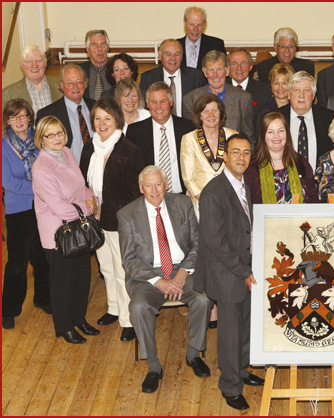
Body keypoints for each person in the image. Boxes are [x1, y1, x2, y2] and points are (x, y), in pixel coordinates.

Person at [117, 166, 212, 393]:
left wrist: (182, 273)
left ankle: (193, 353)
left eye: (158, 184)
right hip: (147, 276)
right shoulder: (127, 214)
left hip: (182, 270)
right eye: (148, 185)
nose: (154, 190)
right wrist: (159, 281)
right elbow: (129, 260)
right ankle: (153, 365)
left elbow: (199, 243)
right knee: (138, 307)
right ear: (141, 188)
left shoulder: (182, 204)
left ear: (166, 184)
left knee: (204, 298)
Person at [196, 134, 264, 410]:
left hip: (245, 268)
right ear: (224, 154)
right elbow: (215, 242)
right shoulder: (213, 192)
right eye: (236, 152)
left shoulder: (244, 183)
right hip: (227, 273)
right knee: (230, 333)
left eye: (246, 153)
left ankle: (243, 371)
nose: (241, 158)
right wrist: (244, 270)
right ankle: (230, 386)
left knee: (246, 326)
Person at [79, 98, 144, 342]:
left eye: (107, 118)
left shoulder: (130, 150)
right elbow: (83, 182)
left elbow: (136, 193)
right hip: (95, 219)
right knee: (105, 268)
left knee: (121, 270)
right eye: (97, 118)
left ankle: (128, 319)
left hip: (119, 222)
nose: (102, 123)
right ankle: (114, 309)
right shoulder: (90, 147)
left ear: (117, 120)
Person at [31, 115, 99, 344]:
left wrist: (90, 197)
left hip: (77, 228)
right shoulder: (41, 168)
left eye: (59, 132)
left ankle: (79, 318)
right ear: (42, 139)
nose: (57, 138)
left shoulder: (68, 152)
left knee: (81, 277)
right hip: (58, 234)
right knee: (62, 283)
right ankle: (63, 326)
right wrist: (87, 210)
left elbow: (81, 184)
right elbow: (59, 207)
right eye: (50, 135)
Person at [2, 99, 51, 329]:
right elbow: (8, 182)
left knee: (42, 258)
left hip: (44, 206)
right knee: (17, 263)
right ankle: (9, 309)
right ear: (8, 121)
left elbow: (51, 168)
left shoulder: (41, 139)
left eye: (23, 116)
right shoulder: (3, 146)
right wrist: (36, 188)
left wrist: (42, 191)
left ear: (30, 117)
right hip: (18, 210)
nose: (19, 121)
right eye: (14, 117)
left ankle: (43, 299)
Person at [126, 82, 194, 194]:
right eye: (153, 102)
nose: (158, 107)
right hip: (150, 197)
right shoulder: (135, 131)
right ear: (147, 104)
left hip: (183, 197)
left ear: (171, 102)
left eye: (163, 101)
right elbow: (131, 172)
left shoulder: (188, 128)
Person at [180, 93, 238, 215]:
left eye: (214, 111)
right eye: (206, 111)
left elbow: (238, 170)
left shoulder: (233, 136)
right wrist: (206, 200)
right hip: (200, 202)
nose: (211, 115)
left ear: (220, 113)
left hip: (229, 200)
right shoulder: (189, 139)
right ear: (199, 115)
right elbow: (188, 178)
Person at [182, 50, 255, 144]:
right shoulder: (190, 100)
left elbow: (248, 139)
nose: (215, 75)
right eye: (211, 70)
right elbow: (189, 140)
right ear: (205, 72)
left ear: (227, 71)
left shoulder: (243, 99)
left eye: (219, 70)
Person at [245, 112, 319, 204]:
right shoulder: (251, 168)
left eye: (281, 131)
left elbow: (313, 199)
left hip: (301, 218)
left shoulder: (301, 163)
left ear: (287, 133)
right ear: (263, 136)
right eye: (270, 132)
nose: (276, 136)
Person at [273, 71, 334, 171]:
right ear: (289, 95)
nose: (301, 95)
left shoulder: (330, 119)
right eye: (296, 90)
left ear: (313, 95)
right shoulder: (274, 118)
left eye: (306, 90)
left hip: (319, 182)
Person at [36, 64, 96, 163]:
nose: (75, 87)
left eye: (79, 82)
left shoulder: (97, 106)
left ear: (85, 84)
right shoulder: (47, 114)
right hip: (67, 172)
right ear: (62, 85)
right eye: (70, 83)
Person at [139, 39, 206, 117]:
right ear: (160, 56)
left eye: (177, 54)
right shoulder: (148, 78)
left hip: (189, 126)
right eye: (168, 54)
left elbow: (202, 107)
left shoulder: (196, 77)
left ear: (181, 57)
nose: (173, 58)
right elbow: (144, 108)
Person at [2, 45, 62, 119]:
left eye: (38, 61)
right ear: (22, 66)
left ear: (45, 63)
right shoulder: (7, 95)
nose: (35, 65)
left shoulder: (62, 86)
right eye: (29, 62)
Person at [226, 48, 272, 120]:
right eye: (234, 64)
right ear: (228, 67)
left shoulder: (264, 91)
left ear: (250, 67)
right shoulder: (221, 89)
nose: (239, 68)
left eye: (243, 63)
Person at [177, 6, 226, 70]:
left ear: (204, 24)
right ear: (185, 23)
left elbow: (223, 72)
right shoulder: (176, 46)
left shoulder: (216, 45)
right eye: (191, 24)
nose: (195, 29)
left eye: (199, 25)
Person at [255, 63, 294, 135]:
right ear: (271, 85)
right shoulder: (264, 111)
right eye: (276, 83)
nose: (280, 88)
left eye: (284, 83)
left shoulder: (296, 109)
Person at [80, 30, 112, 100]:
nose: (100, 49)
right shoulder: (80, 71)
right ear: (87, 49)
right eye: (94, 45)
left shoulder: (116, 70)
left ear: (108, 47)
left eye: (103, 44)